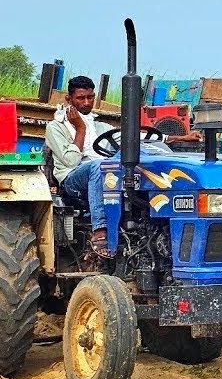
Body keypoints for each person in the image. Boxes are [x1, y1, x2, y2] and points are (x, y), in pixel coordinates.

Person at [45, 75, 200, 255]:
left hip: (106, 174)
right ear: (69, 99)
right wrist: (80, 129)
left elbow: (139, 138)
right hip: (73, 179)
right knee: (100, 166)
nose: (86, 103)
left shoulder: (101, 127)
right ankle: (100, 230)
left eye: (90, 97)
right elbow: (71, 161)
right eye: (80, 98)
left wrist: (181, 138)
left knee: (134, 161)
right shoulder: (56, 127)